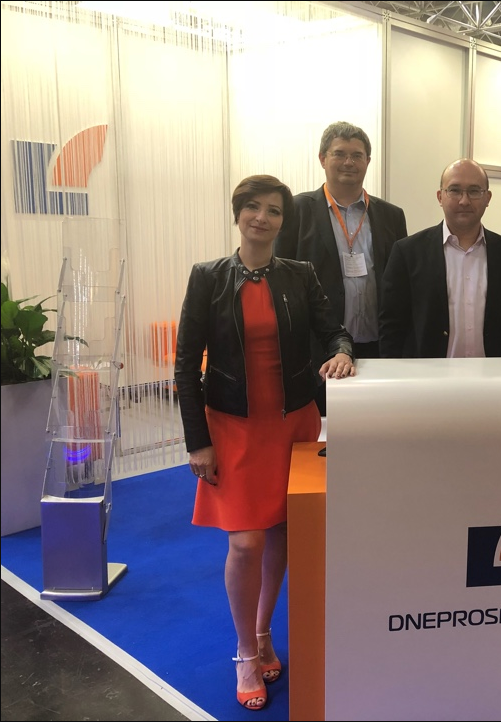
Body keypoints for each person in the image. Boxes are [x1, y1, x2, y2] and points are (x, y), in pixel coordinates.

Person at [175, 175, 355, 710]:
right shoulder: (208, 277)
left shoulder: (300, 275)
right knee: (246, 542)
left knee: (281, 533)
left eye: (273, 210)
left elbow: (334, 330)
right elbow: (185, 366)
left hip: (293, 423)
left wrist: (342, 352)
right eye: (252, 207)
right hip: (232, 428)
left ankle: (262, 631)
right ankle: (244, 652)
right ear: (238, 214)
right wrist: (197, 441)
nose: (262, 217)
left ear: (283, 221)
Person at [274, 121, 407, 415]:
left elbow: (399, 285)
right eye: (340, 154)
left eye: (357, 155)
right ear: (322, 158)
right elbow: (280, 283)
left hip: (378, 349)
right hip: (320, 352)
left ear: (368, 161)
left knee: (378, 424)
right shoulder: (296, 211)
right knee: (324, 431)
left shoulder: (391, 216)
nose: (349, 162)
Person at [379, 158, 501, 358]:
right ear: (440, 196)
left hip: (494, 375)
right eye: (454, 190)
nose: (464, 200)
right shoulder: (407, 253)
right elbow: (391, 327)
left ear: (488, 198)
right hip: (427, 374)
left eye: (474, 191)